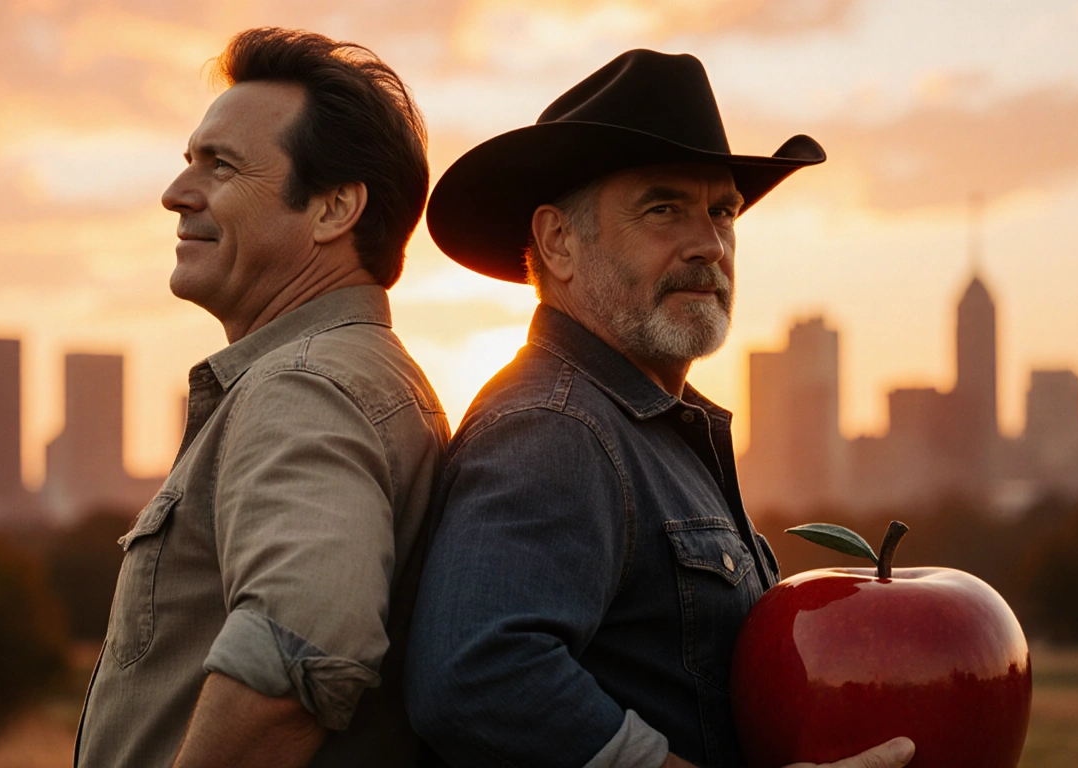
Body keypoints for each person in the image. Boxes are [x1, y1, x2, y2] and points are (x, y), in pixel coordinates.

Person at [405, 50, 914, 768]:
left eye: (723, 211)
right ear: (558, 242)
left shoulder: (650, 428)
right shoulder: (555, 427)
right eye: (664, 208)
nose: (709, 244)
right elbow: (477, 675)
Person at [75, 28, 449, 767]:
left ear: (334, 208)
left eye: (221, 167)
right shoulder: (350, 376)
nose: (176, 193)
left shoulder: (306, 389)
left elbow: (295, 658)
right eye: (189, 162)